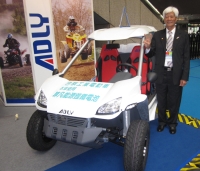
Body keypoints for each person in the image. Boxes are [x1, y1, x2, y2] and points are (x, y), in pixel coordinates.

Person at [143, 6, 190, 134]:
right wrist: (147, 48)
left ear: (176, 19)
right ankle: (162, 122)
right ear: (164, 19)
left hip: (176, 73)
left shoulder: (183, 35)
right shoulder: (158, 35)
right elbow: (151, 53)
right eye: (167, 16)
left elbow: (186, 57)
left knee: (174, 100)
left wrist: (184, 76)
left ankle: (173, 123)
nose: (169, 19)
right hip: (160, 73)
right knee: (161, 100)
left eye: (171, 16)